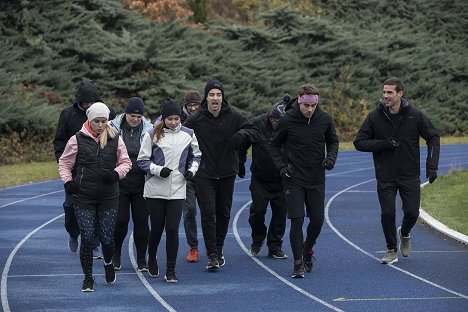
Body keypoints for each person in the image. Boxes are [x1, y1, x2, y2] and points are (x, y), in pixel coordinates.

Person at [353, 77, 440, 265]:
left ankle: (405, 233)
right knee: (387, 213)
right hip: (385, 175)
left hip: (409, 174)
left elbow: (433, 137)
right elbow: (359, 142)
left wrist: (432, 165)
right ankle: (391, 249)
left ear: (400, 93)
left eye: (390, 92)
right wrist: (383, 144)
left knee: (412, 212)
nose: (385, 96)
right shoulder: (375, 116)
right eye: (384, 92)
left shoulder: (414, 115)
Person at [184, 78, 260, 270]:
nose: (215, 98)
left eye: (218, 95)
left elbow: (253, 130)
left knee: (224, 214)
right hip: (205, 173)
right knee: (208, 214)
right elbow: (181, 139)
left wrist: (241, 136)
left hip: (226, 172)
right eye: (211, 95)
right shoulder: (195, 119)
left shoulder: (234, 115)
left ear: (222, 97)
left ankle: (219, 247)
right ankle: (213, 255)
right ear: (206, 98)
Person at [58, 102, 131, 292]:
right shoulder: (77, 139)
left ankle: (108, 263)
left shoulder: (115, 138)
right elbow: (64, 163)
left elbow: (126, 162)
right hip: (83, 196)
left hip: (109, 196)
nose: (100, 125)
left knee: (107, 239)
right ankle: (88, 278)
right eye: (97, 121)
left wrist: (116, 173)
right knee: (88, 238)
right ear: (89, 120)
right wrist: (68, 182)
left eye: (104, 121)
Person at [270, 83, 339, 278]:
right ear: (299, 101)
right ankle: (298, 263)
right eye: (306, 106)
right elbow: (274, 146)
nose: (309, 110)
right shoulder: (287, 120)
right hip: (294, 178)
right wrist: (283, 168)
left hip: (316, 177)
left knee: (317, 220)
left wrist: (331, 158)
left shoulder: (325, 119)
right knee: (297, 220)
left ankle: (308, 249)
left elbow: (333, 141)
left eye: (313, 106)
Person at [137, 99, 201, 282]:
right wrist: (158, 170)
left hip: (178, 189)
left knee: (172, 228)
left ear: (181, 118)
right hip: (155, 189)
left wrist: (191, 171)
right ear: (164, 118)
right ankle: (152, 256)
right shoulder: (152, 134)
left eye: (176, 119)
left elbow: (196, 156)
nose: (173, 122)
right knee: (157, 228)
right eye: (170, 119)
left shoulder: (189, 134)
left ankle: (171, 270)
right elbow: (142, 160)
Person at [54, 79, 115, 258]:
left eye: (91, 102)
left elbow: (115, 139)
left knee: (96, 209)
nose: (88, 105)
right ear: (79, 101)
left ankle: (93, 243)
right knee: (70, 207)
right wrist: (63, 162)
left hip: (99, 171)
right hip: (75, 171)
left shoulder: (107, 113)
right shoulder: (67, 114)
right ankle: (73, 232)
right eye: (85, 102)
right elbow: (59, 140)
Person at [239, 95, 290, 259]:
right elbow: (242, 143)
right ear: (270, 117)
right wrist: (240, 163)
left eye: (280, 121)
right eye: (275, 120)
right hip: (260, 178)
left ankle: (275, 246)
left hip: (283, 179)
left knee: (280, 213)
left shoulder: (290, 126)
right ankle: (257, 239)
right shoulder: (257, 124)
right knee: (258, 211)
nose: (277, 124)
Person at [109, 97, 153, 271]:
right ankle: (116, 254)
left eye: (138, 116)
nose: (135, 119)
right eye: (132, 115)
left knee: (142, 221)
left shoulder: (149, 130)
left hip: (141, 182)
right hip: (120, 182)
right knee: (120, 220)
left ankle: (142, 258)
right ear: (125, 114)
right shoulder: (113, 128)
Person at [181, 90, 203, 263]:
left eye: (196, 104)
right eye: (190, 105)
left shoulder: (207, 118)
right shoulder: (176, 119)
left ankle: (213, 245)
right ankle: (193, 247)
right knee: (189, 211)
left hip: (206, 173)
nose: (193, 108)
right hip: (186, 174)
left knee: (210, 211)